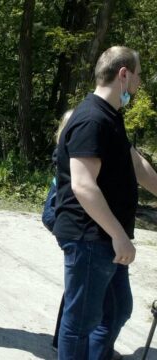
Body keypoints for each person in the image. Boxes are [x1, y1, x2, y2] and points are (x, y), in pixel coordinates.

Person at [54, 46, 157, 359]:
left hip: (105, 239)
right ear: (123, 74)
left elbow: (135, 163)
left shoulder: (110, 116)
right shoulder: (91, 119)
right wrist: (118, 235)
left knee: (117, 311)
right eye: (138, 76)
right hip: (91, 237)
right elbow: (83, 185)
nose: (139, 84)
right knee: (80, 322)